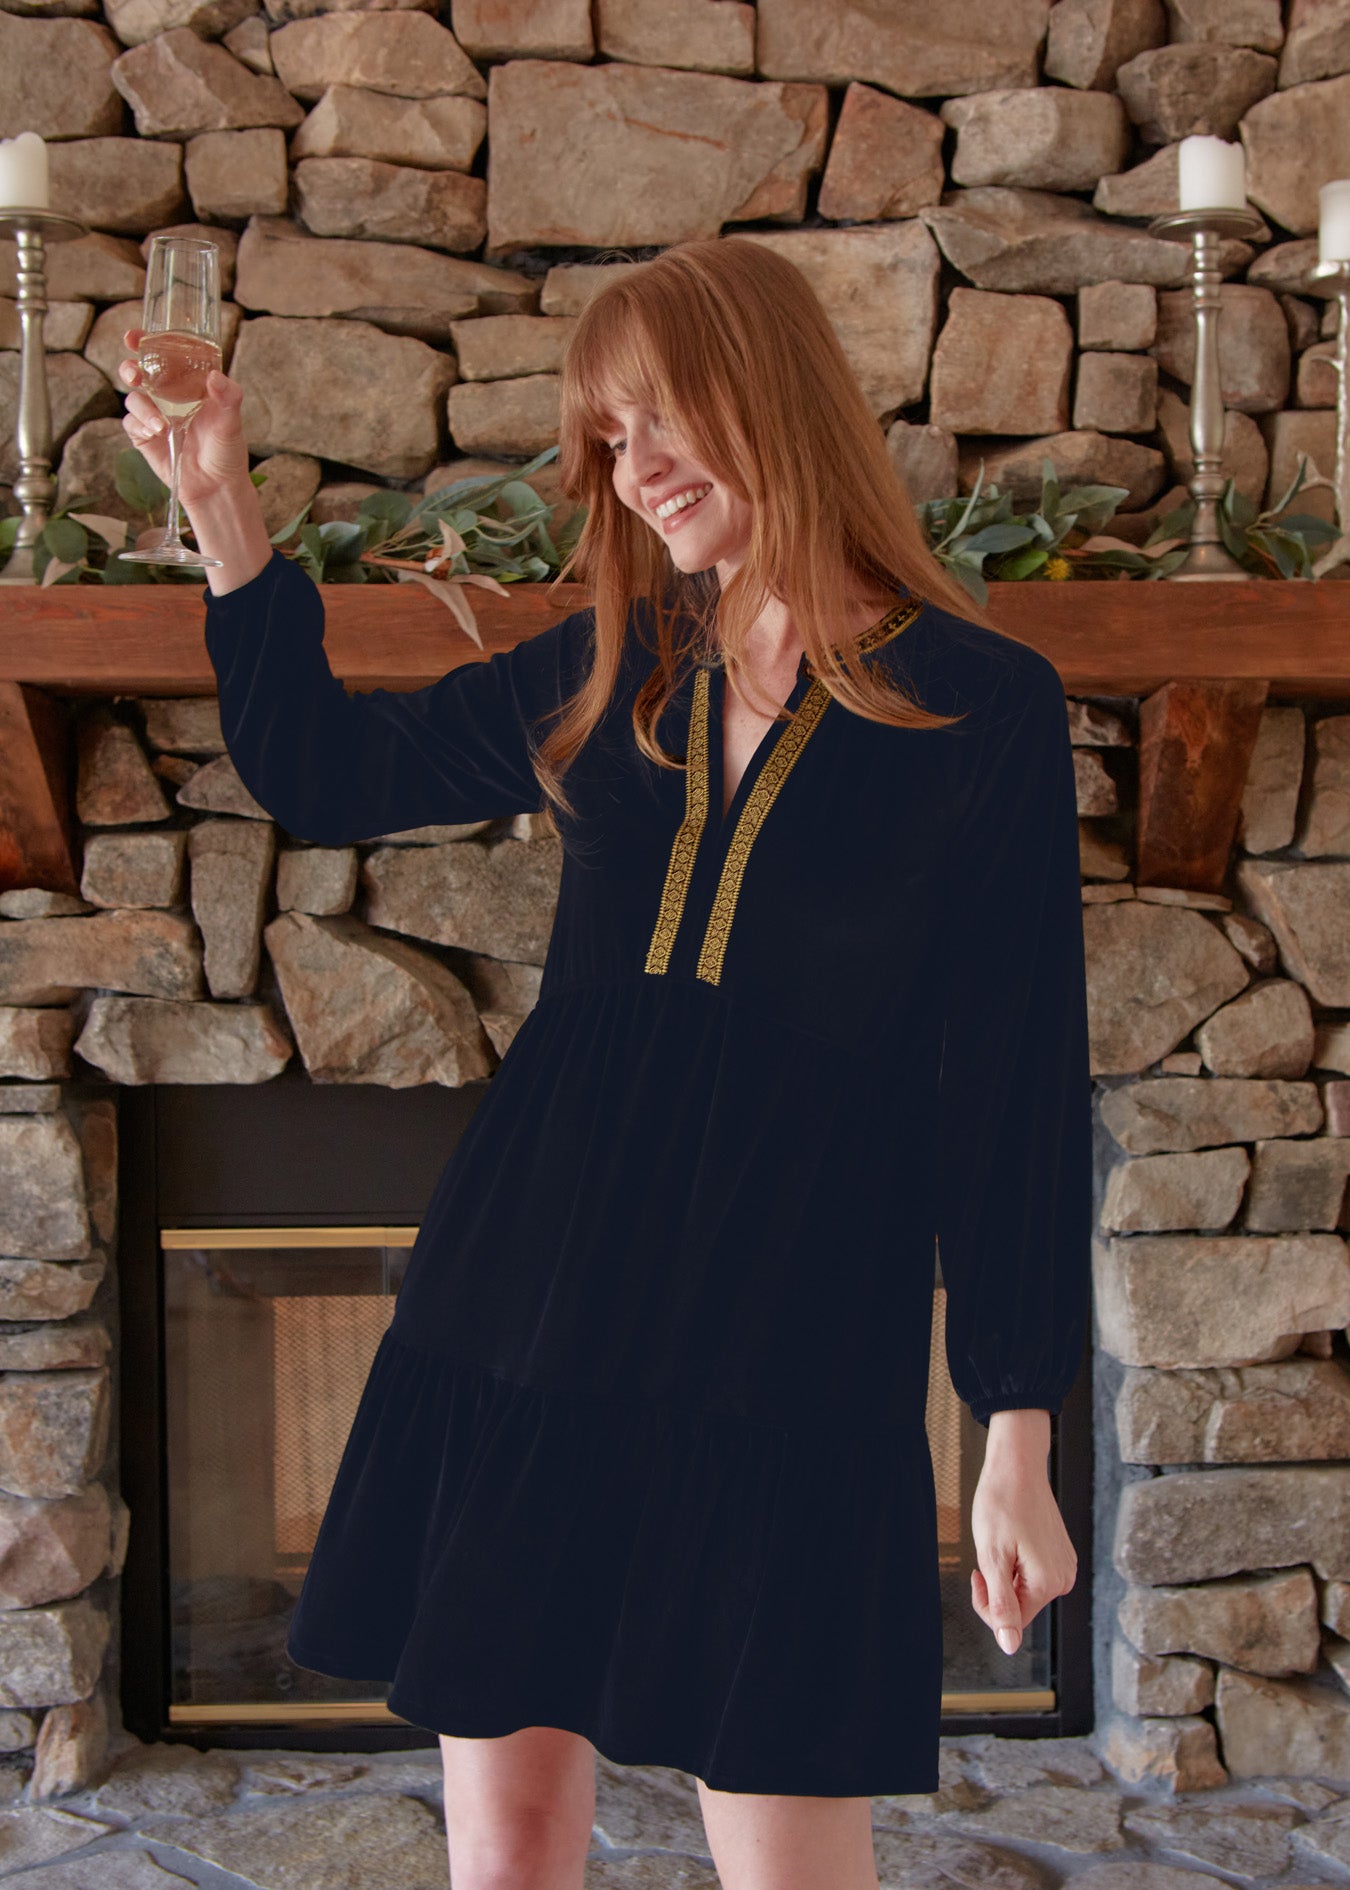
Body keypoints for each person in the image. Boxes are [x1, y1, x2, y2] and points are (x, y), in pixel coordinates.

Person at [118, 234, 1091, 1890]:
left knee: (791, 1859)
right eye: (604, 439)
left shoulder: (980, 707)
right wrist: (219, 505)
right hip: (532, 1300)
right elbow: (324, 770)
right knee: (503, 1852)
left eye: (655, 422)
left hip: (792, 1345)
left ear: (762, 394)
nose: (627, 473)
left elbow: (1012, 1094)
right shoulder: (614, 663)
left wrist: (1015, 1435)